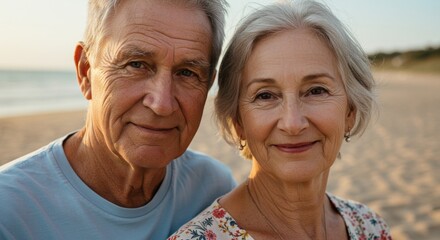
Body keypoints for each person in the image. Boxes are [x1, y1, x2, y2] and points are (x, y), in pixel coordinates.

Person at [0, 0, 236, 239]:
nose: (162, 104)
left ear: (207, 86)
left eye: (187, 73)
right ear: (86, 72)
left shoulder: (212, 191)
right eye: (136, 64)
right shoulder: (9, 211)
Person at [169, 0, 392, 239]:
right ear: (238, 122)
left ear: (350, 111)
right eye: (265, 95)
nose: (292, 123)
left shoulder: (370, 227)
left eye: (316, 90)